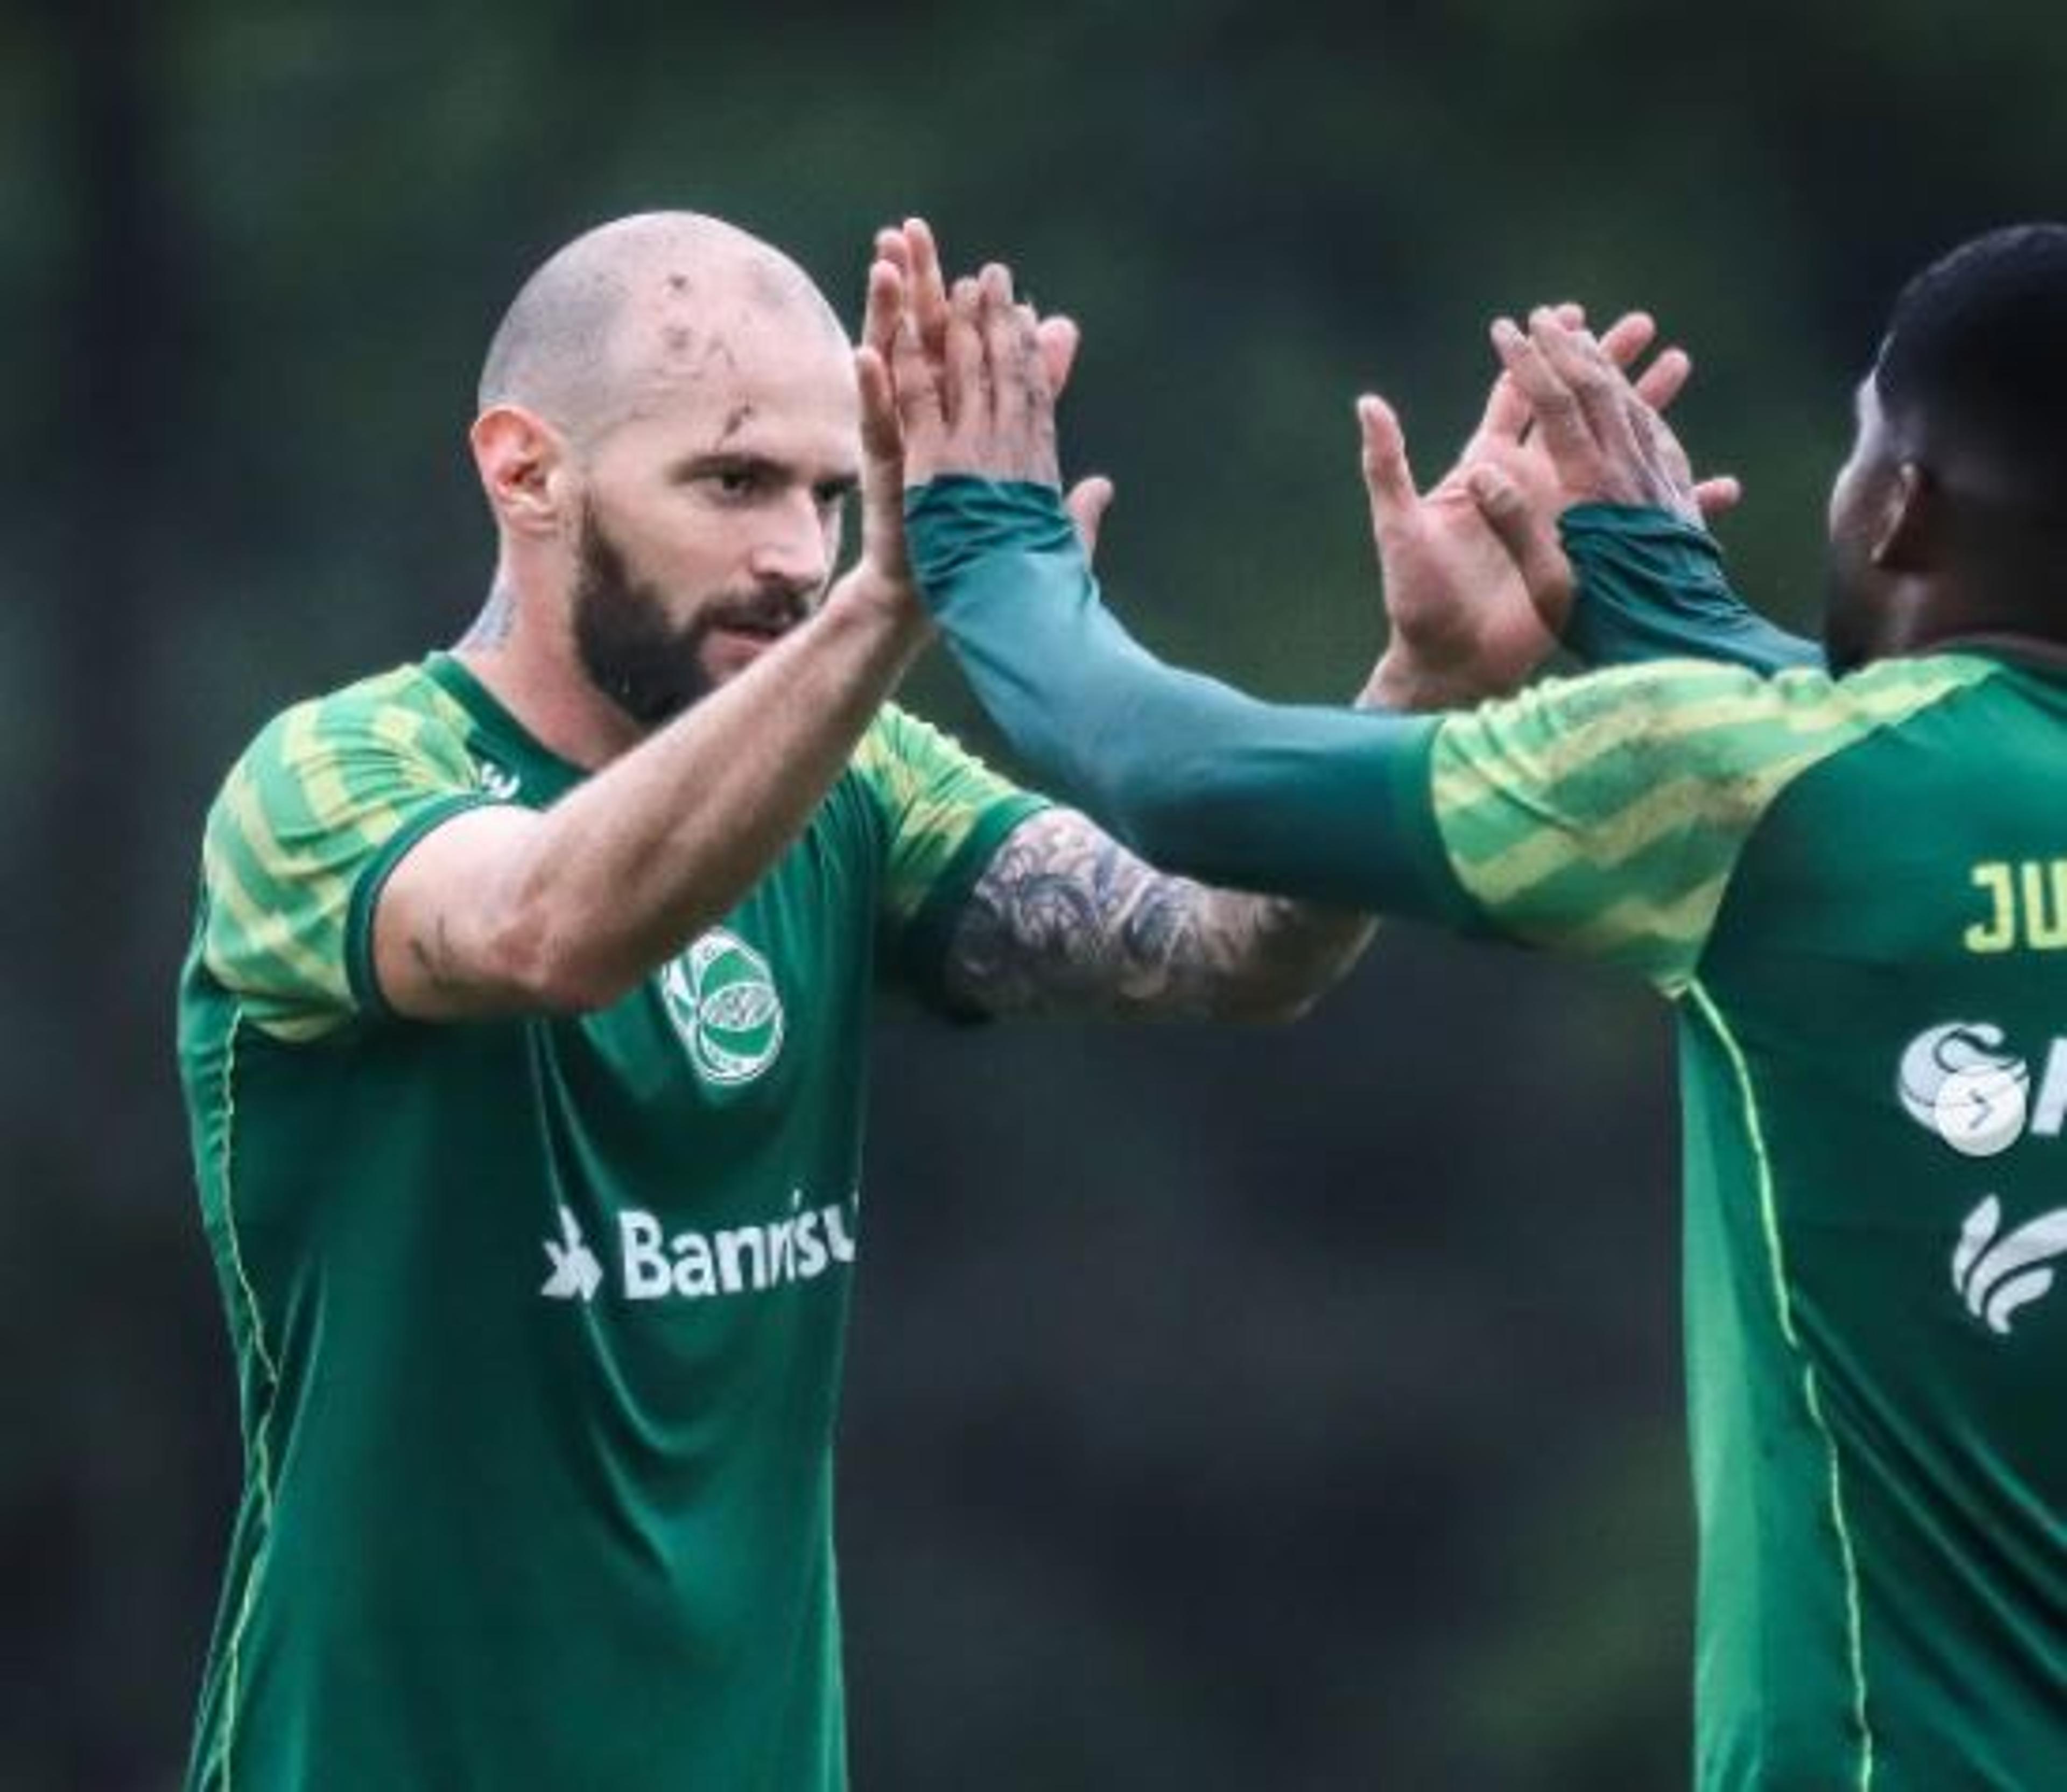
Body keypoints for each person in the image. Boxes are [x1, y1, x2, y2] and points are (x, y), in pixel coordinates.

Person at [174, 205, 1613, 1789]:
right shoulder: (325, 783)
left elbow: (1225, 948)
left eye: (825, 491)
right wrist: (884, 605)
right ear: (525, 470)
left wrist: (1417, 698)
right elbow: (549, 925)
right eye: (732, 483)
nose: (799, 551)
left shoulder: (847, 780)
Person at [898, 221, 2067, 1787]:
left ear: (1904, 506)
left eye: (1862, 454)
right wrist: (1658, 591)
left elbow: (1182, 776)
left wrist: (990, 546)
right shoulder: (1814, 779)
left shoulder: (1750, 788)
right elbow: (1917, 762)